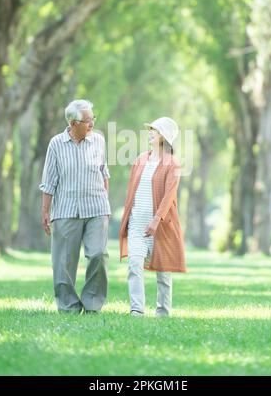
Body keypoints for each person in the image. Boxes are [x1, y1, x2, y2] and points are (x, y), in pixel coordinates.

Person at [39, 99, 111, 313]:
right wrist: (45, 211)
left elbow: (104, 173)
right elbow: (49, 180)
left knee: (98, 254)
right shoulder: (56, 144)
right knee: (63, 263)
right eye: (87, 120)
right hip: (66, 210)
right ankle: (68, 306)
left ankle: (92, 304)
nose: (91, 124)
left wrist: (105, 202)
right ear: (73, 123)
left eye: (92, 119)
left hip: (96, 209)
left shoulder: (98, 141)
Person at [119, 117, 186, 317]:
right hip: (137, 222)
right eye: (150, 129)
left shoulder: (172, 164)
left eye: (154, 130)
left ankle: (163, 313)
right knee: (134, 264)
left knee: (163, 272)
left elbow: (169, 196)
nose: (149, 132)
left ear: (164, 137)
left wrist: (156, 220)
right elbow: (132, 190)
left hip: (161, 225)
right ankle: (136, 309)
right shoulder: (140, 159)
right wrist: (128, 215)